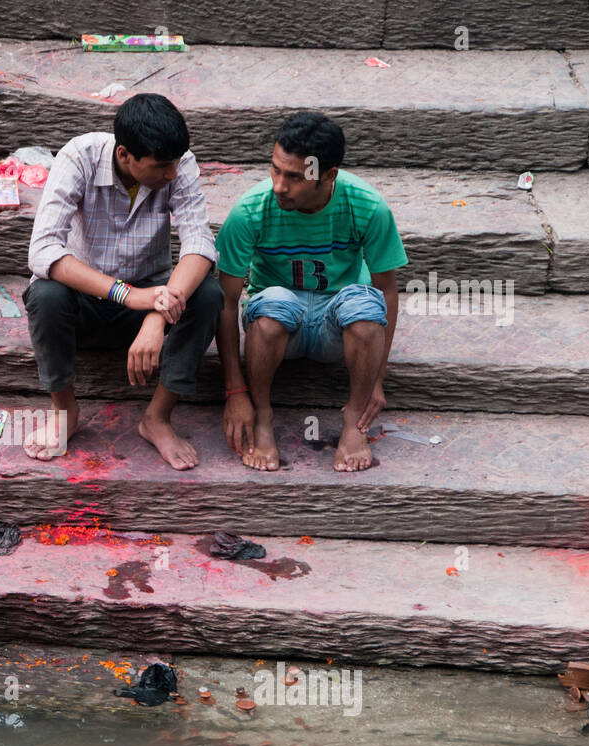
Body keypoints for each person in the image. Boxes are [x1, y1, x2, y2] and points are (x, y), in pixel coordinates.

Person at [22, 93, 222, 471]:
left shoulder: (179, 164)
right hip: (84, 303)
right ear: (125, 154)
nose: (173, 174)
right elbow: (43, 251)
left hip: (150, 300)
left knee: (208, 293)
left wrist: (157, 313)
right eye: (162, 166)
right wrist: (130, 296)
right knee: (45, 293)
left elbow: (199, 244)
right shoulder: (78, 157)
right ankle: (65, 411)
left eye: (176, 163)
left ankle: (157, 418)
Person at [216, 111, 407, 472]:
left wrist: (377, 379)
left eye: (293, 177)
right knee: (275, 304)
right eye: (275, 169)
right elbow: (225, 301)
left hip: (337, 318)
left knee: (365, 309)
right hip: (278, 328)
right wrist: (234, 391)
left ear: (328, 175)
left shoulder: (367, 205)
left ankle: (353, 422)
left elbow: (387, 291)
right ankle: (263, 416)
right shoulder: (250, 210)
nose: (279, 186)